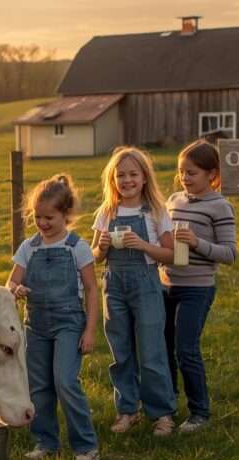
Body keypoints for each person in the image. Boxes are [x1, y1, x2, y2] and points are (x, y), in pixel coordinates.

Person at [7, 174, 100, 460]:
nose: (43, 223)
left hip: (69, 324)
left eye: (50, 217)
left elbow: (91, 290)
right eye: (38, 217)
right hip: (36, 326)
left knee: (65, 381)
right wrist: (16, 289)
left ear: (66, 214)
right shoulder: (28, 248)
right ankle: (46, 442)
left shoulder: (77, 247)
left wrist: (90, 331)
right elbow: (10, 283)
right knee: (39, 386)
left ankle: (86, 447)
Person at [91, 147, 177, 436]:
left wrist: (142, 245)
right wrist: (101, 246)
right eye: (120, 175)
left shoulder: (155, 211)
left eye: (133, 174)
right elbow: (95, 256)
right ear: (112, 180)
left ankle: (161, 413)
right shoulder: (107, 212)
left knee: (151, 350)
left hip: (146, 284)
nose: (126, 180)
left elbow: (172, 254)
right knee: (121, 350)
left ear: (144, 178)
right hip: (114, 285)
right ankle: (127, 410)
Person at [162, 139, 238, 432]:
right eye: (182, 172)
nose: (185, 178)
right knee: (164, 347)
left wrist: (197, 242)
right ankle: (167, 404)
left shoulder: (220, 206)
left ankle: (199, 412)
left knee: (186, 349)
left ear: (212, 174)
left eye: (192, 172)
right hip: (166, 285)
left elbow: (230, 253)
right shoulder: (173, 201)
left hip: (197, 287)